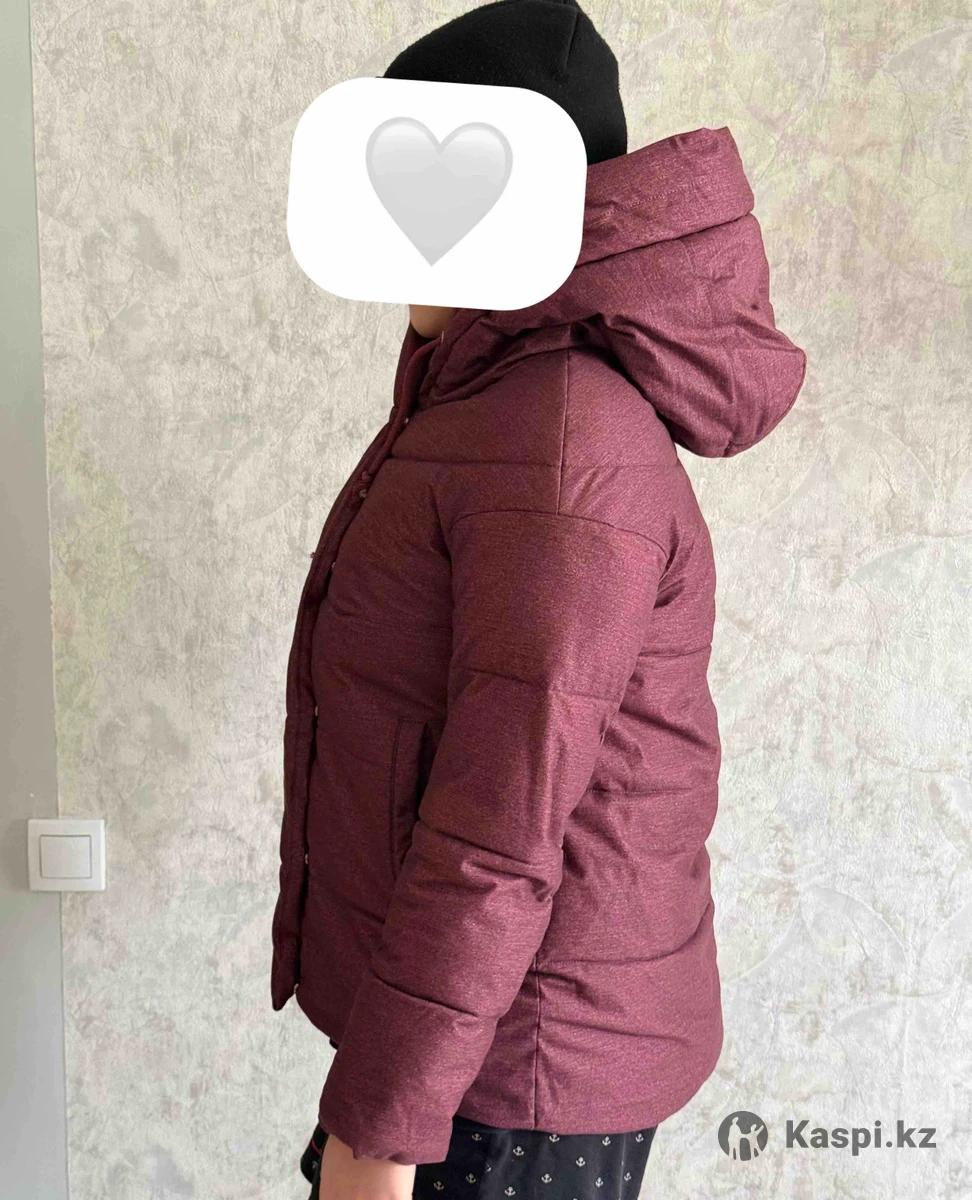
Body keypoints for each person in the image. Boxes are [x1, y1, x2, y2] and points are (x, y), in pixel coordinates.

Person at [270, 3, 808, 1198]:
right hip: (469, 1051)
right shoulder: (486, 394)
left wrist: (377, 1138)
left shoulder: (558, 446)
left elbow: (498, 832)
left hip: (516, 1081)